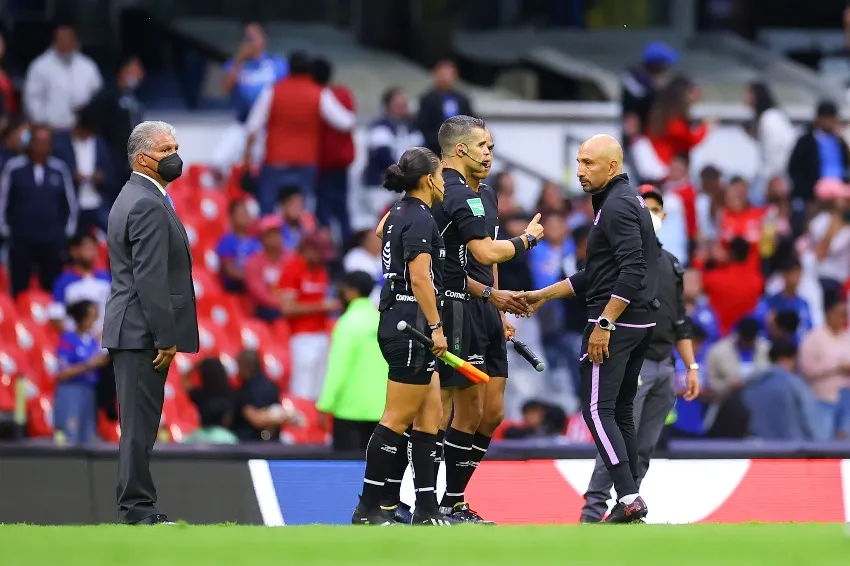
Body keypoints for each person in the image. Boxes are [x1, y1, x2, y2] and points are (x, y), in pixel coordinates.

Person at [385, 117, 541, 524]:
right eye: (483, 145)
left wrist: (498, 303)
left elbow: (486, 259)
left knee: (490, 414)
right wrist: (526, 241)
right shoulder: (438, 192)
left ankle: (451, 500)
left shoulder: (485, 194)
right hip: (452, 308)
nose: (490, 152)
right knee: (443, 410)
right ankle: (417, 500)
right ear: (460, 150)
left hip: (485, 310)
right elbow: (393, 229)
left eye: (491, 144)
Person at [519, 134, 659, 523]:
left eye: (589, 164)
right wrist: (543, 294)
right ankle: (629, 498)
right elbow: (597, 273)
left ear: (612, 166)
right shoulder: (621, 200)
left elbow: (633, 270)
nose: (580, 171)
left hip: (616, 324)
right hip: (638, 321)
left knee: (597, 411)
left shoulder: (615, 207)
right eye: (579, 162)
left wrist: (604, 322)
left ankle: (629, 497)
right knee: (621, 413)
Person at [580, 184, 700, 523]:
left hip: (664, 363)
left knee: (643, 447)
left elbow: (680, 321)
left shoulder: (673, 265)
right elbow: (590, 280)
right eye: (645, 208)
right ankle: (592, 512)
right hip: (635, 357)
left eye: (656, 209)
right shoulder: (626, 259)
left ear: (663, 216)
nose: (651, 215)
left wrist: (691, 365)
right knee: (614, 437)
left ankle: (628, 508)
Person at [102, 120, 199, 525]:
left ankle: (136, 506)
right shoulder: (145, 202)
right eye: (166, 149)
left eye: (176, 146)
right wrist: (166, 335)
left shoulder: (136, 196)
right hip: (142, 331)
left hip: (134, 329)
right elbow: (150, 278)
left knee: (139, 425)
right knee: (140, 428)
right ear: (143, 158)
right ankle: (138, 510)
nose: (175, 156)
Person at [352, 146, 454, 526]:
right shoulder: (422, 220)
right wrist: (437, 328)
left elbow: (381, 232)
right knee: (396, 418)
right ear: (428, 180)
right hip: (413, 323)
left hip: (398, 316)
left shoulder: (397, 212)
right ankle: (367, 509)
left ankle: (426, 510)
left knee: (431, 415)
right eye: (441, 174)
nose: (444, 181)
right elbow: (420, 278)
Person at [245, 51, 355, 214]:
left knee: (268, 213)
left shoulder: (273, 90)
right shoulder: (318, 93)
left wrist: (247, 160)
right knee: (303, 215)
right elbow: (346, 122)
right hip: (305, 162)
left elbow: (252, 127)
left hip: (275, 161)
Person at [0, 125, 78, 297]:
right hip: (21, 240)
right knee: (19, 289)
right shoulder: (14, 168)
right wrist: (7, 231)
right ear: (30, 143)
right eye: (37, 142)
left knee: (51, 288)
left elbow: (70, 204)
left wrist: (64, 233)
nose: (40, 147)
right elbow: (4, 201)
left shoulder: (60, 169)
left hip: (51, 240)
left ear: (50, 145)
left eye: (45, 143)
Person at [317, 271, 387, 451]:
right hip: (382, 410)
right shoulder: (382, 320)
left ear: (351, 291)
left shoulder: (347, 323)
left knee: (347, 474)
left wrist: (325, 405)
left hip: (348, 412)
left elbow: (337, 368)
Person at [213, 23, 288, 177]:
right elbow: (226, 88)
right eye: (248, 38)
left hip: (267, 126)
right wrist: (239, 60)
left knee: (259, 167)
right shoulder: (235, 64)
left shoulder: (276, 64)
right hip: (242, 122)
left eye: (255, 37)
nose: (252, 42)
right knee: (218, 162)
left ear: (264, 39)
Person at [278, 230, 339, 401]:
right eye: (320, 253)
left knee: (319, 390)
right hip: (301, 337)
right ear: (309, 249)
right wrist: (321, 307)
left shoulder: (321, 270)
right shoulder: (292, 268)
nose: (323, 258)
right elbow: (287, 308)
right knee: (302, 389)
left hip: (321, 334)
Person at [359, 87, 424, 228]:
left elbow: (421, 153)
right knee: (383, 223)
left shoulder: (410, 127)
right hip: (381, 186)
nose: (402, 109)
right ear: (387, 106)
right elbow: (383, 158)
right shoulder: (380, 127)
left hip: (403, 185)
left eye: (404, 105)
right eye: (398, 105)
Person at [23, 24, 102, 131]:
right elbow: (32, 100)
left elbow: (98, 96)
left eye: (68, 39)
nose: (65, 43)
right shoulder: (40, 66)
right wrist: (42, 124)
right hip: (51, 131)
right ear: (54, 41)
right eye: (61, 39)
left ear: (75, 41)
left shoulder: (88, 66)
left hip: (81, 131)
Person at [312, 56, 356, 243]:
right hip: (342, 162)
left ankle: (328, 251)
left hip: (323, 163)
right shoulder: (344, 94)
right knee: (342, 209)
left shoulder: (317, 96)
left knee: (324, 211)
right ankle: (347, 246)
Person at [51, 105, 115, 233]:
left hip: (97, 201)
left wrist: (101, 177)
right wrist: (72, 176)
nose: (88, 135)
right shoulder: (60, 143)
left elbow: (109, 171)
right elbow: (55, 170)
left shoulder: (99, 144)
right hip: (73, 203)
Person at [55, 300, 110, 445]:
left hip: (89, 391)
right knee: (71, 435)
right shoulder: (68, 339)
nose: (93, 321)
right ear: (81, 317)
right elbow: (62, 373)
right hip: (72, 391)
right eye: (91, 316)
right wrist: (89, 365)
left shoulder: (92, 341)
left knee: (88, 437)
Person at [86, 56, 145, 183]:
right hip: (111, 163)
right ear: (124, 71)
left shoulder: (134, 100)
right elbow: (97, 128)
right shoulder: (106, 97)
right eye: (136, 70)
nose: (140, 75)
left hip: (130, 164)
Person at [48, 232, 112, 334]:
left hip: (107, 339)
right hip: (79, 342)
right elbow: (56, 317)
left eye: (92, 248)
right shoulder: (64, 281)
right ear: (74, 251)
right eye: (86, 248)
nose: (90, 252)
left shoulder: (106, 278)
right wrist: (77, 338)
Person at [744, 82, 795, 203]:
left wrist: (772, 178)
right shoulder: (770, 117)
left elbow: (775, 151)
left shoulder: (770, 119)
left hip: (775, 177)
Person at [417, 60, 473, 155]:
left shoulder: (462, 99)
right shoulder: (427, 100)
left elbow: (471, 121)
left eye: (450, 75)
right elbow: (423, 126)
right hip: (436, 148)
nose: (446, 78)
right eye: (443, 74)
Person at [243, 215, 289, 322]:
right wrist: (282, 303)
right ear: (262, 238)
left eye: (278, 233)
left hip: (289, 307)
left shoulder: (290, 259)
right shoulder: (253, 263)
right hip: (264, 311)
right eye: (271, 234)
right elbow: (260, 295)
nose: (276, 237)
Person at [215, 199, 261, 293]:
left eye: (247, 212)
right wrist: (252, 279)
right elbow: (229, 270)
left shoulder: (257, 241)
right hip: (237, 291)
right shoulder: (227, 241)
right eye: (241, 213)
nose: (246, 216)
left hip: (257, 290)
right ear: (232, 217)